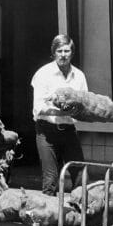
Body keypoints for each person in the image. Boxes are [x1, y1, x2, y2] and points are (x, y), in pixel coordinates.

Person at [31, 34, 88, 196]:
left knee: (80, 175)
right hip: (46, 131)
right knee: (51, 178)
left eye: (67, 51)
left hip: (69, 130)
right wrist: (60, 111)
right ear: (53, 52)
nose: (63, 54)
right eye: (59, 51)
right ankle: (46, 217)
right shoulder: (43, 74)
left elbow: (84, 103)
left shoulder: (79, 76)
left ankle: (81, 215)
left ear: (72, 53)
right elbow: (38, 108)